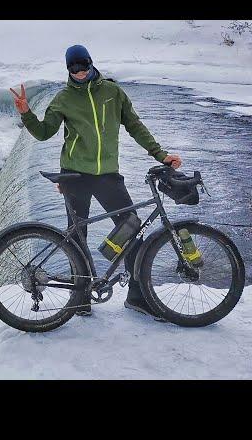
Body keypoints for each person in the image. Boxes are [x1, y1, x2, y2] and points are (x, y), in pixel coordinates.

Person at [9, 45, 182, 318]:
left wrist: (160, 155)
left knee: (131, 229)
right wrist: (26, 113)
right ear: (68, 70)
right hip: (75, 176)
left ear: (91, 63)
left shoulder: (113, 93)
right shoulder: (63, 98)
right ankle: (80, 300)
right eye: (73, 69)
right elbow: (43, 132)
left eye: (83, 66)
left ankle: (137, 297)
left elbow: (135, 125)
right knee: (77, 238)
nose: (79, 73)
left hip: (108, 176)